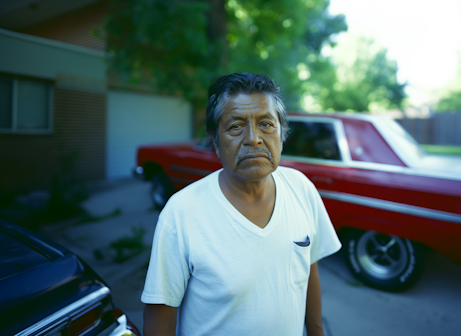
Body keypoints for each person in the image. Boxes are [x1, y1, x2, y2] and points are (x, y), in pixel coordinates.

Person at [141, 72, 341, 336]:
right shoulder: (181, 213)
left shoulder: (301, 188)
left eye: (266, 124)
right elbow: (161, 318)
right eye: (235, 126)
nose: (253, 138)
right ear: (214, 140)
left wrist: (316, 331)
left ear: (282, 133)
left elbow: (308, 267)